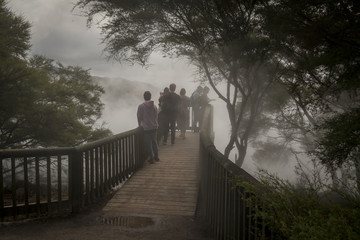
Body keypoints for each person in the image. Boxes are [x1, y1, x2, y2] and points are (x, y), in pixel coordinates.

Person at [137, 91, 159, 163]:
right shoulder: (154, 106)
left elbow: (139, 116)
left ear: (144, 97)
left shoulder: (141, 106)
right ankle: (156, 156)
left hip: (146, 128)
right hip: (154, 127)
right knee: (154, 143)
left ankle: (151, 159)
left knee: (148, 144)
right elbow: (156, 116)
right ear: (150, 97)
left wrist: (139, 125)